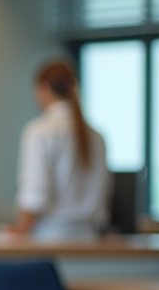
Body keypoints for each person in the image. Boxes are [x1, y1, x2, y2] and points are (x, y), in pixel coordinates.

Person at [12, 60, 110, 238]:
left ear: (43, 88)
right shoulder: (97, 137)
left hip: (49, 239)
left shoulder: (39, 132)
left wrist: (19, 232)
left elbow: (35, 197)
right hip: (91, 242)